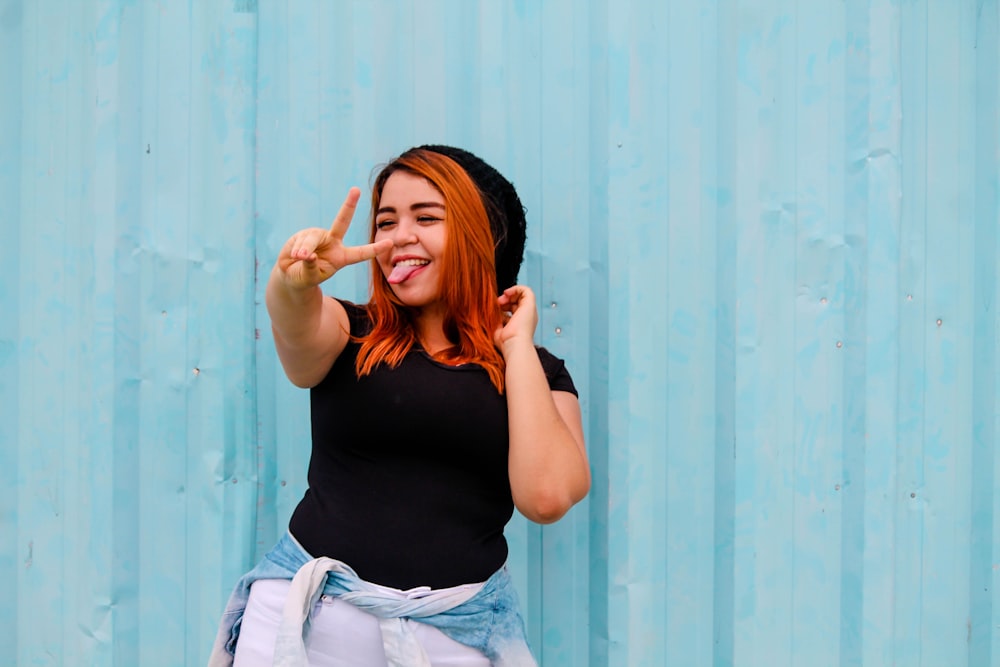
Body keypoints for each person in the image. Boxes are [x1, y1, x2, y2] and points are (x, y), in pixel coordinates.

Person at [208, 145, 590, 667]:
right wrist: (291, 283)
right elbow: (297, 337)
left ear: (483, 235)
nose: (398, 237)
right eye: (386, 221)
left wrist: (517, 344)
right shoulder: (351, 332)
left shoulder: (537, 371)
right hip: (310, 626)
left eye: (426, 217)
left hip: (458, 636)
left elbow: (546, 498)